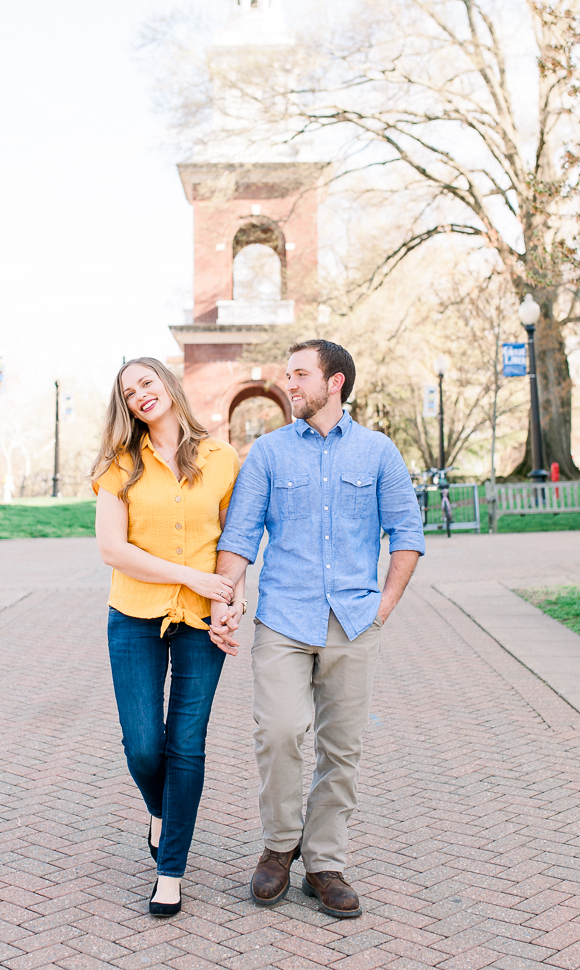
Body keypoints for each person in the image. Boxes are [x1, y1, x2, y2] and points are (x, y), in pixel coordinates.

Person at [210, 339, 425, 919]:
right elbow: (238, 538)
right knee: (279, 731)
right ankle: (280, 847)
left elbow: (407, 535)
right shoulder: (269, 453)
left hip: (355, 624)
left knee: (341, 748)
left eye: (300, 374)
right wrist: (223, 601)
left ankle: (325, 863)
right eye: (288, 374)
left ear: (335, 382)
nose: (290, 384)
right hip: (283, 617)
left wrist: (383, 607)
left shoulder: (378, 452)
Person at [93, 357, 243, 917]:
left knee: (186, 745)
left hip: (201, 621)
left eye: (147, 383)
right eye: (130, 393)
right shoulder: (119, 465)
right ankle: (161, 811)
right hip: (133, 616)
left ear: (169, 384)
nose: (140, 396)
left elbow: (235, 541)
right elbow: (114, 550)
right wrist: (190, 576)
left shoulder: (221, 458)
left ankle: (170, 872)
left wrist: (234, 595)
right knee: (143, 746)